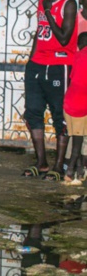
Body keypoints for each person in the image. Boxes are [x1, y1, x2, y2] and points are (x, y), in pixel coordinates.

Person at [22, 0, 77, 181]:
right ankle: (41, 163)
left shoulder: (68, 3)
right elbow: (40, 32)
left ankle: (58, 164)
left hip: (59, 65)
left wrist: (48, 10)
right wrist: (30, 61)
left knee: (59, 116)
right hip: (38, 64)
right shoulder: (42, 0)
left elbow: (64, 38)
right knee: (33, 112)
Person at [64, 32, 87, 182]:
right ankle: (71, 171)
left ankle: (79, 171)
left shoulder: (77, 56)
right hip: (82, 104)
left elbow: (73, 78)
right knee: (78, 142)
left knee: (76, 137)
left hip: (69, 102)